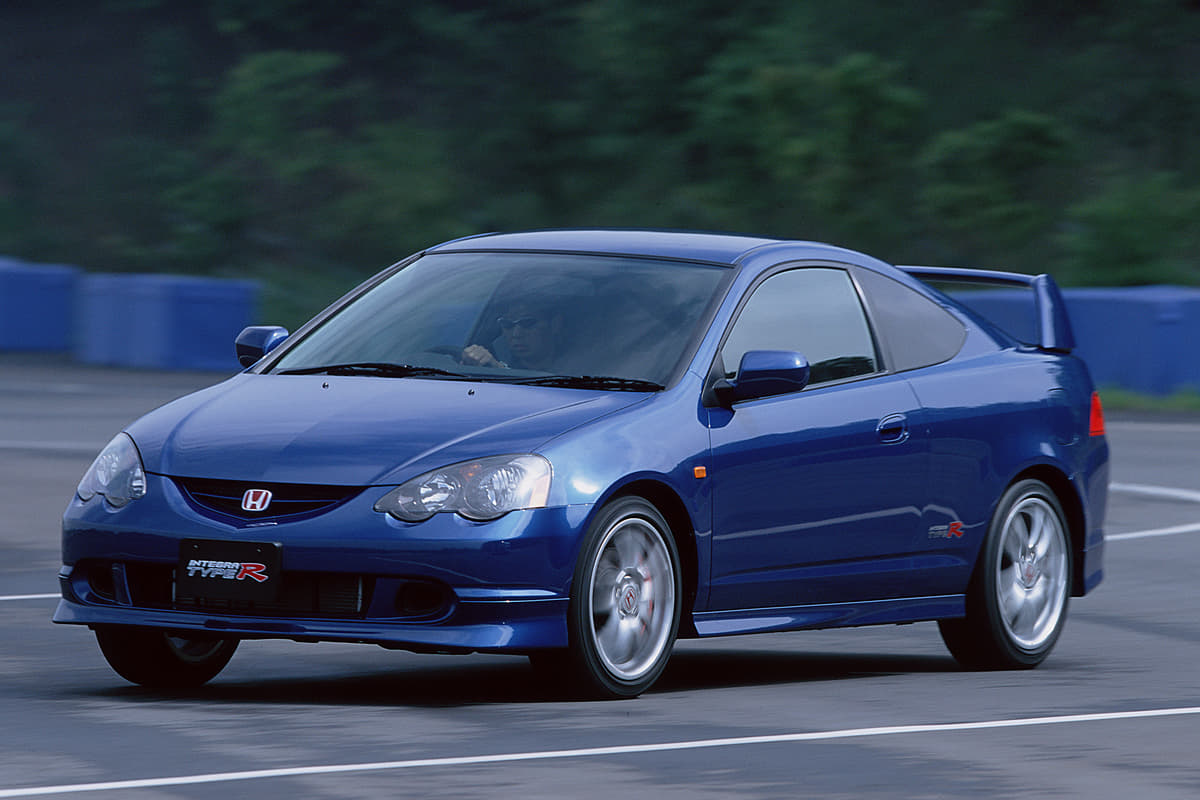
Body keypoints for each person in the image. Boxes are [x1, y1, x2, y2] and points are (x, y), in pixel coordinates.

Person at [461, 300, 564, 371]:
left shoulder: (572, 374)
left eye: (527, 323)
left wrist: (499, 370)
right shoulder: (488, 360)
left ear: (555, 324)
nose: (516, 334)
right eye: (507, 324)